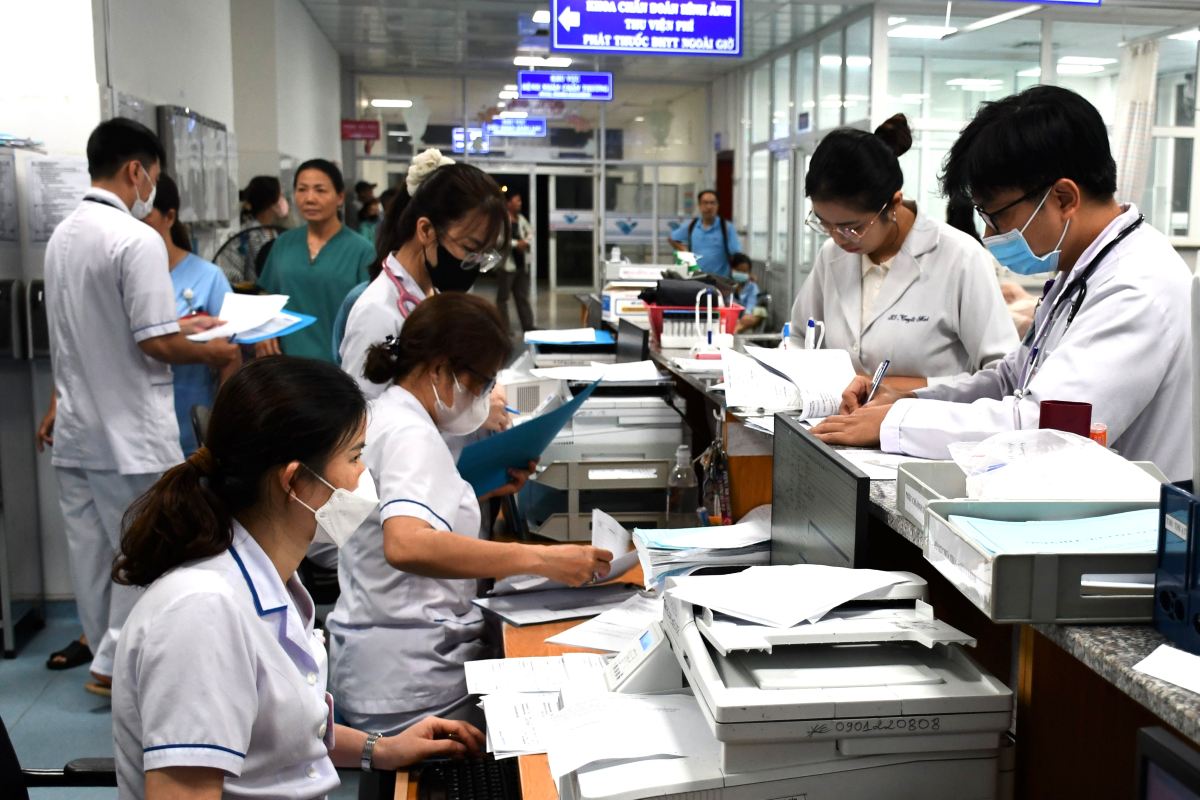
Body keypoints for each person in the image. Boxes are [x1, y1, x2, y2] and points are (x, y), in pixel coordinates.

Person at [110, 357, 484, 800]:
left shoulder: (269, 579)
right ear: (294, 482)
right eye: (355, 456)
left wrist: (380, 750)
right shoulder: (203, 613)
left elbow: (280, 731)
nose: (365, 476)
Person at [812, 86, 1195, 481]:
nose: (990, 233)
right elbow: (1009, 379)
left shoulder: (1136, 286)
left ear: (1064, 198)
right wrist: (907, 399)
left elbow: (1047, 428)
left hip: (1136, 523)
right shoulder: (1081, 270)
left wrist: (898, 423)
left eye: (996, 216)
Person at [327, 293, 613, 733]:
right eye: (482, 383)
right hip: (411, 677)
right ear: (441, 369)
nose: (483, 398)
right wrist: (542, 559)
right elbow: (406, 543)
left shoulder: (385, 414)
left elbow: (388, 514)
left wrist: (477, 488)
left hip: (376, 656)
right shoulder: (410, 434)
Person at [37, 118, 238, 693]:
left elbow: (105, 326)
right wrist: (213, 347)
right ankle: (116, 668)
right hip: (130, 434)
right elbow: (153, 343)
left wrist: (183, 324)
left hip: (78, 433)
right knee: (147, 550)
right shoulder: (135, 237)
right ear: (136, 171)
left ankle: (105, 653)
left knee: (94, 556)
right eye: (152, 174)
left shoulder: (63, 236)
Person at [789, 114, 1017, 392]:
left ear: (893, 203)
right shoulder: (831, 256)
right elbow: (800, 337)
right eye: (824, 224)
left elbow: (1002, 374)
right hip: (836, 424)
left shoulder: (959, 257)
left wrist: (899, 389)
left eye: (852, 227)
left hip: (927, 430)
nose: (837, 238)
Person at [338, 148, 507, 400]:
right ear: (426, 230)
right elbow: (362, 419)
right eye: (470, 249)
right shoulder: (377, 312)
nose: (474, 264)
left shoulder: (430, 292)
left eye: (484, 254)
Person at [143, 173, 242, 455]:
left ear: (169, 216)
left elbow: (230, 354)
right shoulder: (125, 276)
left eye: (145, 215)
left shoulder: (207, 277)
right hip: (136, 423)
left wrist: (223, 425)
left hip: (192, 418)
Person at [255, 159, 375, 362]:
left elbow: (370, 315)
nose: (309, 198)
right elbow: (265, 295)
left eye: (320, 190)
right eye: (302, 189)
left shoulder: (362, 251)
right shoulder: (283, 244)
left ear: (339, 197)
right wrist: (262, 331)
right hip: (284, 365)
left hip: (339, 367)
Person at [215, 175, 288, 286]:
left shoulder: (275, 233)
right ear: (272, 202)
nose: (284, 200)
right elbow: (231, 276)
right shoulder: (241, 237)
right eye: (280, 195)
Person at [668, 190, 742, 278]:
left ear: (717, 206)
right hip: (697, 279)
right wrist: (684, 251)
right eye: (705, 203)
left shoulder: (726, 227)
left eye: (712, 203)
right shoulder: (692, 226)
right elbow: (672, 238)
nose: (709, 206)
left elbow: (736, 254)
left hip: (721, 281)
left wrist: (744, 274)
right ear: (699, 205)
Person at [495, 191, 535, 333]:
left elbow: (530, 232)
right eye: (517, 201)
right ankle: (504, 329)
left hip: (521, 265)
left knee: (522, 297)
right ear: (508, 203)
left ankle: (528, 327)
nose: (520, 203)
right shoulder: (502, 220)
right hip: (507, 266)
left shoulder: (521, 219)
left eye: (520, 201)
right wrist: (516, 244)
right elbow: (498, 240)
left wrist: (525, 242)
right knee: (503, 299)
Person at [728, 252, 764, 334]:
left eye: (744, 272)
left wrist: (745, 317)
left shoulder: (752, 287)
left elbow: (751, 305)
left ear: (749, 273)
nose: (741, 274)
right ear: (732, 269)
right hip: (730, 318)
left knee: (755, 315)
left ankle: (737, 329)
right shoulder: (727, 285)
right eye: (738, 271)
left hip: (745, 319)